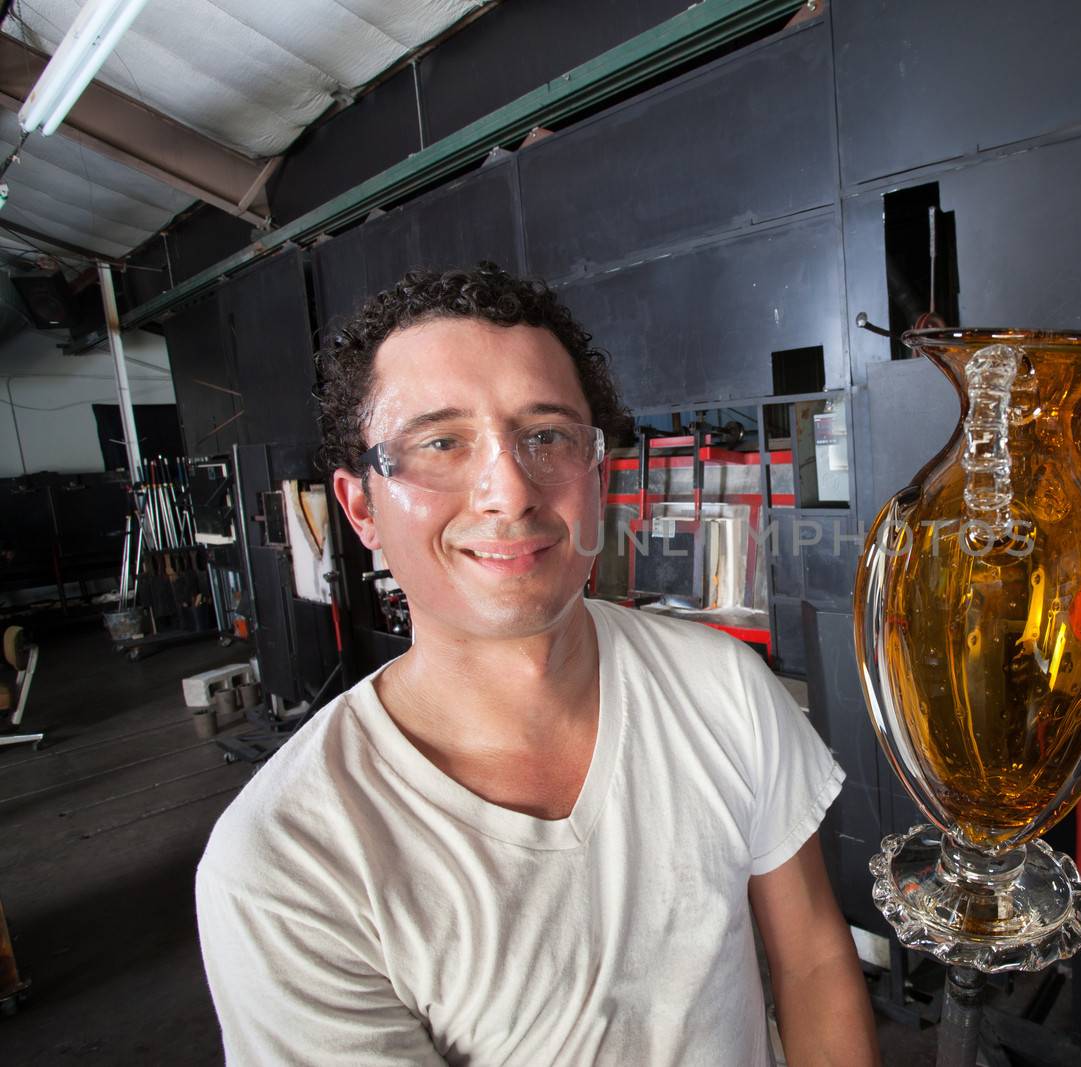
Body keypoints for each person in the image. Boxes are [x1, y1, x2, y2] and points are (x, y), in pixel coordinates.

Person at [194, 264, 879, 1066]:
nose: (509, 491)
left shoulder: (720, 687)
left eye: (547, 435)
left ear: (595, 471)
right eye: (441, 442)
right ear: (359, 508)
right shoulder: (287, 863)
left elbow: (814, 963)